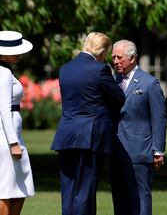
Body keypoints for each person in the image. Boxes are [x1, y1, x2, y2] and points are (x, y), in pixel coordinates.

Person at [51, 32, 125, 215]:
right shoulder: (100, 69)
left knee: (68, 190)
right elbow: (119, 97)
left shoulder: (65, 68)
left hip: (67, 135)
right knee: (85, 190)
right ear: (101, 51)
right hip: (90, 136)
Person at [110, 39, 167, 215]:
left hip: (140, 152)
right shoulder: (112, 81)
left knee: (141, 197)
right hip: (115, 151)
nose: (116, 61)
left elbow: (159, 119)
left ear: (132, 58)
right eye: (113, 57)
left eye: (120, 58)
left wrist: (158, 151)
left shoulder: (150, 83)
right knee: (119, 198)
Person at [0, 30, 35, 215]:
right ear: (4, 52)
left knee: (21, 183)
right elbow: (5, 109)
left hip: (10, 132)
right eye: (16, 50)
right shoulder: (3, 73)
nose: (20, 54)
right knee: (7, 186)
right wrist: (13, 143)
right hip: (7, 134)